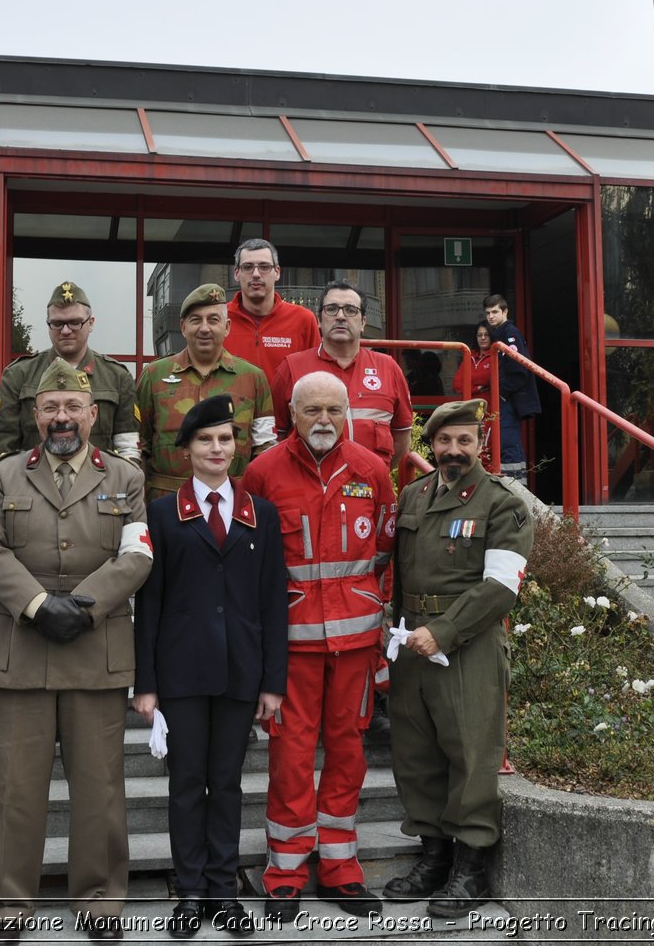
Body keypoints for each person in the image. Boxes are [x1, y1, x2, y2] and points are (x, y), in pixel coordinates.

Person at [0, 358, 153, 944]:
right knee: (12, 790)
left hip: (93, 646)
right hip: (20, 648)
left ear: (93, 414)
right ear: (33, 414)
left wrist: (83, 605)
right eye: (50, 407)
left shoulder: (126, 478)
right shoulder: (3, 474)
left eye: (73, 406)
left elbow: (137, 555)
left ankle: (100, 900)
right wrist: (35, 605)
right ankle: (6, 906)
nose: (61, 418)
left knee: (99, 788)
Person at [239, 372, 394, 923]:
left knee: (349, 754)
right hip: (291, 649)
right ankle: (284, 870)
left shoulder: (373, 470)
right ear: (292, 414)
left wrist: (377, 634)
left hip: (354, 643)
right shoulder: (262, 473)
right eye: (312, 411)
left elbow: (383, 552)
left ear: (348, 412)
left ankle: (340, 868)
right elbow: (248, 564)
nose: (323, 420)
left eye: (333, 409)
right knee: (290, 758)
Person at [134, 394, 287, 939]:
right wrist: (146, 684)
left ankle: (224, 892)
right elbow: (148, 603)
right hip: (180, 674)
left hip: (241, 673)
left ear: (238, 447)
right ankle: (190, 891)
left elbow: (272, 601)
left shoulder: (259, 515)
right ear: (187, 451)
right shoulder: (162, 514)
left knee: (226, 784)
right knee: (185, 784)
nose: (217, 448)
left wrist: (273, 682)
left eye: (226, 439)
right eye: (206, 440)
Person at [383, 399, 533, 918]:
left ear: (481, 445)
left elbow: (501, 586)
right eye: (444, 441)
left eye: (464, 441)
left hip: (467, 646)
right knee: (416, 755)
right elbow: (397, 573)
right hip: (410, 647)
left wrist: (443, 632)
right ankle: (434, 861)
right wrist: (395, 630)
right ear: (432, 444)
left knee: (470, 756)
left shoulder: (501, 503)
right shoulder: (412, 496)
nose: (453, 451)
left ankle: (469, 873)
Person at [135, 283, 274, 500]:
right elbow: (139, 447)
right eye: (195, 320)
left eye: (213, 320)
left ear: (227, 327)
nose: (204, 328)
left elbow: (265, 451)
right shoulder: (153, 375)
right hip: (167, 503)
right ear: (182, 327)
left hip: (232, 503)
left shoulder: (253, 378)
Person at [0, 281, 140, 463]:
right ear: (48, 324)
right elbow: (2, 447)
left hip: (99, 486)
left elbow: (127, 448)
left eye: (75, 322)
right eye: (57, 323)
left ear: (91, 323)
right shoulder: (18, 375)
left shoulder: (117, 377)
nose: (66, 330)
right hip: (33, 485)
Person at [272, 280, 414, 471]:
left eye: (350, 310)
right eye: (331, 309)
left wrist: (375, 473)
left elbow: (401, 437)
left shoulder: (388, 368)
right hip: (307, 487)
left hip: (367, 489)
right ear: (319, 320)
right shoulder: (291, 367)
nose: (340, 316)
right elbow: (277, 435)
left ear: (363, 322)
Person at [222, 238, 319, 383]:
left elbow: (317, 375)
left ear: (277, 272)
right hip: (233, 406)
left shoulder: (303, 319)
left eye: (264, 267)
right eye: (248, 267)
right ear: (236, 273)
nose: (256, 274)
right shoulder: (219, 318)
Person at [482, 294, 541, 483]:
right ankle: (512, 486)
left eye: (495, 312)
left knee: (508, 443)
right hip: (507, 397)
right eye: (488, 313)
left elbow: (518, 369)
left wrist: (502, 392)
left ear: (505, 311)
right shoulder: (500, 333)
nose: (491, 316)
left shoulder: (509, 333)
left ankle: (515, 489)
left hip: (509, 399)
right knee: (505, 441)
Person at [452, 321, 496, 467]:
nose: (482, 338)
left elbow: (490, 380)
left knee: (486, 448)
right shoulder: (468, 356)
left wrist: (472, 385)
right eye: (479, 335)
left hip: (489, 412)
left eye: (486, 335)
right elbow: (457, 384)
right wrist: (478, 388)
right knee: (468, 447)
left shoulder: (496, 356)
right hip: (469, 412)